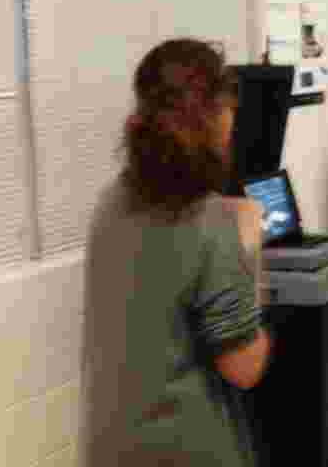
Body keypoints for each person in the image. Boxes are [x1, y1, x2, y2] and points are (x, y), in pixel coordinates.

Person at [81, 39, 273, 467]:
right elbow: (244, 368)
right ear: (214, 120)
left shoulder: (110, 202)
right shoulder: (213, 223)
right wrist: (250, 248)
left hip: (110, 449)